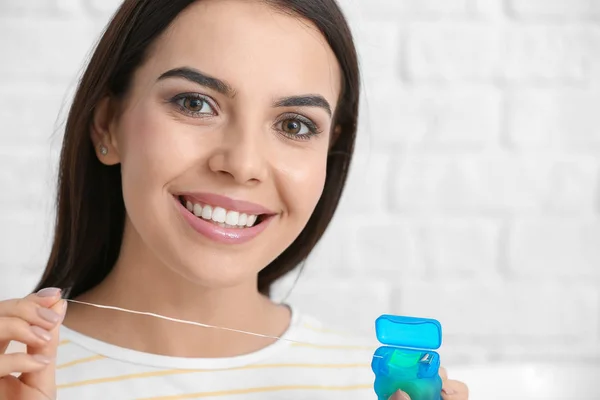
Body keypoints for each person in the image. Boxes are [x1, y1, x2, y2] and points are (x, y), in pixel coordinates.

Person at [0, 1, 469, 399]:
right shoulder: (13, 372)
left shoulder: (364, 384)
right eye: (195, 104)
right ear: (107, 125)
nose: (243, 164)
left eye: (294, 125)